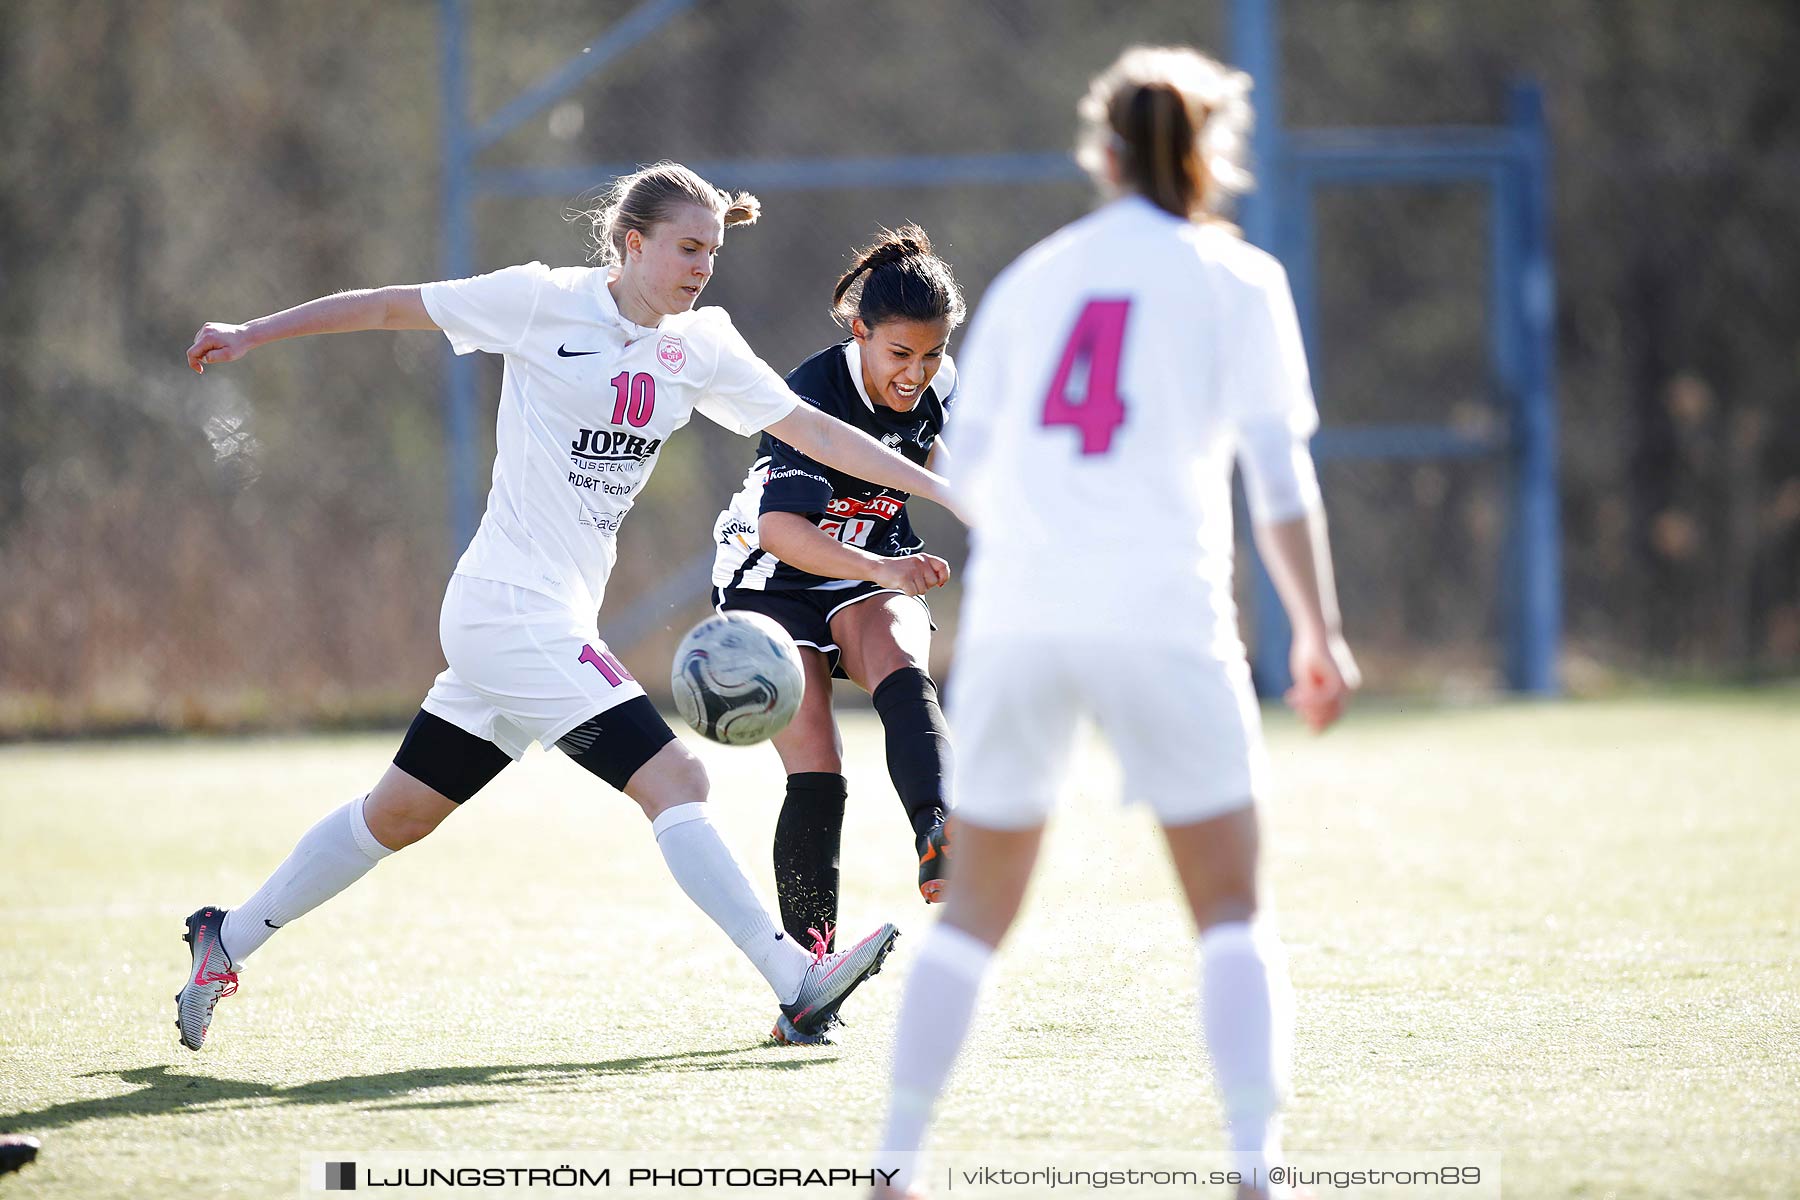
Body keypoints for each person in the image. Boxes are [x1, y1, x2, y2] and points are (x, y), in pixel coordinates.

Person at [176, 161, 967, 1053]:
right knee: (679, 780)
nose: (704, 265)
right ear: (634, 243)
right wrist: (252, 332)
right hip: (505, 609)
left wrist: (952, 496)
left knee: (397, 815)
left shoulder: (699, 345)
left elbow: (819, 433)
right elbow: (392, 307)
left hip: (542, 625)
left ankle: (225, 939)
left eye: (713, 249)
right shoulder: (540, 302)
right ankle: (794, 979)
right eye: (687, 247)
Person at [870, 47, 1361, 1200]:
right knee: (1229, 909)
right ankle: (1253, 1168)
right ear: (1212, 156)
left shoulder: (1037, 277)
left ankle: (895, 1162)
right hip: (1163, 612)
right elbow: (1280, 481)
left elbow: (970, 470)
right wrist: (1319, 634)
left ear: (1098, 153)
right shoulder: (1235, 278)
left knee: (975, 914)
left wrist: (1053, 535)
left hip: (1025, 620)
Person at [709, 226, 964, 1039]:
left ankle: (942, 830)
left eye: (929, 356)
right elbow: (784, 529)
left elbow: (953, 453)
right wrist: (889, 569)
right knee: (818, 760)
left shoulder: (937, 382)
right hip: (772, 575)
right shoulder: (807, 395)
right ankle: (812, 981)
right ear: (859, 332)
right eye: (899, 355)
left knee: (896, 657)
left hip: (868, 567)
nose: (914, 374)